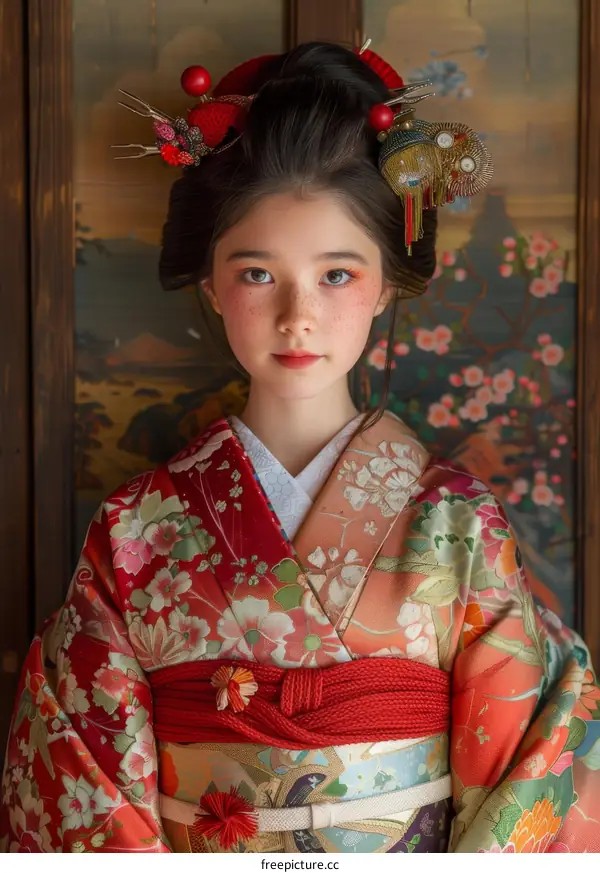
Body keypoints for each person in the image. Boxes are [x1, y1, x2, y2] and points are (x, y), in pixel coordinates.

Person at [1, 41, 598, 855]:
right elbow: (81, 769)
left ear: (386, 282)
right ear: (211, 283)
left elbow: (530, 757)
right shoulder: (135, 530)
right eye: (257, 273)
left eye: (337, 274)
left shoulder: (458, 523)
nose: (297, 315)